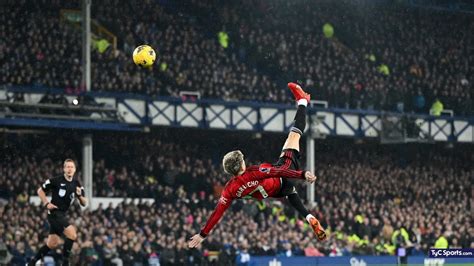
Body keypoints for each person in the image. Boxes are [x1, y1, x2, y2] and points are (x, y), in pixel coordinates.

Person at [189, 83, 327, 248]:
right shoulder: (254, 171)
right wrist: (302, 174)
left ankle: (309, 217)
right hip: (282, 176)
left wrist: (202, 234)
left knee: (291, 192)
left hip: (275, 193)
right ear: (241, 163)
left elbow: (217, 213)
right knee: (294, 135)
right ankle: (303, 101)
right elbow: (279, 170)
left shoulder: (230, 189)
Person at [28, 159, 88, 266]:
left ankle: (32, 262)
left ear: (74, 170)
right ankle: (65, 263)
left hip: (62, 214)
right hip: (54, 213)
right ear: (64, 169)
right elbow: (40, 190)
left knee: (52, 244)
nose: (69, 169)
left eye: (71, 167)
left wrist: (79, 196)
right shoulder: (56, 180)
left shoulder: (76, 183)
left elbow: (84, 203)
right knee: (72, 235)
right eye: (67, 167)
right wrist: (46, 203)